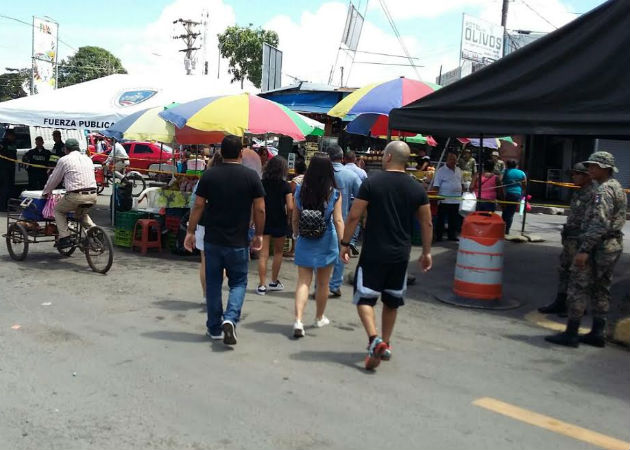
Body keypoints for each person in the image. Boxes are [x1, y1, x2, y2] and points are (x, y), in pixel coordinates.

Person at [340, 141, 433, 370]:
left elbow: (354, 215)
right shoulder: (417, 188)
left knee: (364, 298)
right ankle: (384, 345)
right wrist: (427, 252)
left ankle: (374, 340)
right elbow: (426, 222)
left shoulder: (372, 183)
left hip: (374, 251)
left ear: (389, 157)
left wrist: (345, 244)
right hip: (401, 254)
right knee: (392, 300)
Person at [185, 135, 265, 346]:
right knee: (238, 282)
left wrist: (190, 231)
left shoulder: (209, 175)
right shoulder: (251, 177)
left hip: (213, 239)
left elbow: (198, 205)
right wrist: (258, 234)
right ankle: (230, 318)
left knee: (213, 283)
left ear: (221, 152)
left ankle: (214, 327)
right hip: (238, 240)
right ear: (241, 153)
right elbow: (260, 208)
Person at [546, 152, 626, 348]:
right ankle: (597, 332)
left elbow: (599, 223)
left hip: (598, 246)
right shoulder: (617, 188)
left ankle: (571, 333)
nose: (590, 169)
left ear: (606, 169)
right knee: (601, 288)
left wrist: (584, 250)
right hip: (612, 244)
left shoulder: (603, 191)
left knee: (578, 286)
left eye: (594, 166)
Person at [291, 154, 344, 338]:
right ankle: (319, 317)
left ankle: (298, 320)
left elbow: (295, 217)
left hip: (305, 238)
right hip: (326, 239)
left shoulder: (300, 190)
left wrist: (296, 235)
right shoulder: (334, 193)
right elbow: (338, 220)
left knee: (303, 282)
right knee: (323, 283)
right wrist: (344, 244)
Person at [538, 163, 593, 317]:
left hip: (580, 239)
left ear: (587, 176)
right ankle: (561, 301)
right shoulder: (579, 192)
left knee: (579, 274)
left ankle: (577, 306)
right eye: (573, 174)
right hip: (570, 238)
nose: (574, 177)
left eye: (577, 174)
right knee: (564, 270)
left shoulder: (593, 193)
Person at [42, 138, 97, 249]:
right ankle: (95, 230)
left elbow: (54, 179)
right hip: (93, 195)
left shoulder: (64, 159)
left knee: (58, 210)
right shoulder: (88, 159)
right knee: (80, 214)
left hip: (76, 196)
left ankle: (65, 237)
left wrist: (46, 192)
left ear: (66, 149)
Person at [257, 156, 294, 295]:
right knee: (278, 253)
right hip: (280, 220)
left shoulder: (261, 183)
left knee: (263, 254)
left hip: (264, 219)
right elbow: (290, 206)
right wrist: (289, 218)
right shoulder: (285, 186)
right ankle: (274, 281)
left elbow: (256, 204)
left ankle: (261, 285)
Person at [328, 145, 361, 297]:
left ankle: (319, 285)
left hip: (321, 221)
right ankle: (335, 284)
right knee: (342, 251)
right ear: (342, 158)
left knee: (321, 253)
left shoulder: (319, 173)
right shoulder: (351, 176)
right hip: (344, 220)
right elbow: (361, 198)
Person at [190, 151, 223, 301]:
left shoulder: (205, 178)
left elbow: (195, 203)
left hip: (204, 222)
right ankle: (215, 294)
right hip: (224, 224)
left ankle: (206, 295)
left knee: (205, 260)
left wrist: (191, 226)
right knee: (221, 262)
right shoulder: (233, 178)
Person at [433, 152, 463, 241]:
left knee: (453, 219)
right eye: (451, 159)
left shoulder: (459, 170)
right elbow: (436, 185)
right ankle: (439, 236)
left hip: (456, 199)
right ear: (447, 160)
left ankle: (452, 235)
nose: (453, 161)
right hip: (444, 199)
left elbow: (461, 182)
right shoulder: (441, 171)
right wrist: (436, 197)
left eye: (455, 159)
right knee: (441, 219)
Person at [501, 160, 527, 235]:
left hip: (506, 194)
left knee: (505, 212)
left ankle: (502, 229)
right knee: (511, 213)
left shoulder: (505, 172)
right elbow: (525, 184)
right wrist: (522, 192)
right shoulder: (522, 173)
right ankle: (507, 230)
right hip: (516, 194)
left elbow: (500, 180)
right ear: (516, 165)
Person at [0, 129, 18, 212]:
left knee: (11, 188)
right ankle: (3, 206)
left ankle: (9, 206)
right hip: (4, 169)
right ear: (8, 135)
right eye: (12, 135)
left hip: (11, 168)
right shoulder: (2, 143)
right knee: (5, 188)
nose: (14, 137)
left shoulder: (13, 144)